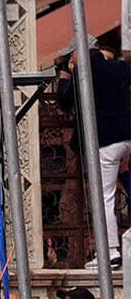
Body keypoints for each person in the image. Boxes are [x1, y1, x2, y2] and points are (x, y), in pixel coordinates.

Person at [55, 36, 131, 266]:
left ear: (78, 52)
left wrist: (65, 77)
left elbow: (65, 100)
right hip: (126, 137)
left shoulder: (85, 71)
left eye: (71, 56)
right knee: (122, 182)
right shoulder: (118, 67)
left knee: (103, 197)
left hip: (104, 142)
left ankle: (110, 252)